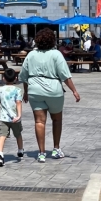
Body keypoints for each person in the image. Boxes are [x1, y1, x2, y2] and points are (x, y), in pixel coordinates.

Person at [19, 28, 81, 162]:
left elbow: (24, 76)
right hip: (54, 90)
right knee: (57, 120)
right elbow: (65, 75)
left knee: (39, 121)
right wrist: (74, 91)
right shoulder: (56, 54)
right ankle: (56, 148)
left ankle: (41, 153)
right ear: (52, 41)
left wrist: (26, 92)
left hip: (35, 90)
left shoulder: (31, 55)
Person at [0, 68, 25, 167]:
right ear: (16, 78)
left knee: (2, 136)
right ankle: (20, 150)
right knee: (18, 134)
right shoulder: (18, 90)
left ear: (4, 78)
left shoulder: (0, 89)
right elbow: (18, 103)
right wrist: (19, 115)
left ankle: (0, 155)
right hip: (15, 118)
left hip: (3, 118)